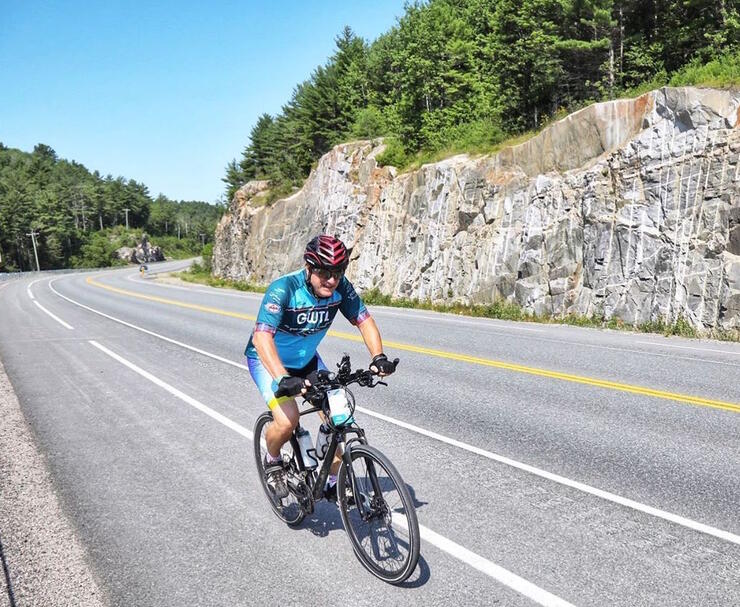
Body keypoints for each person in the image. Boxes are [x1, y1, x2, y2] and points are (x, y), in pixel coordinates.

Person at [245, 235, 396, 500]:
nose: (331, 280)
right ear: (309, 268)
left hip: (307, 361)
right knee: (288, 420)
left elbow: (364, 321)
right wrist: (282, 378)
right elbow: (261, 337)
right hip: (269, 362)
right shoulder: (284, 289)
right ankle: (272, 460)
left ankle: (332, 480)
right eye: (324, 272)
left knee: (339, 418)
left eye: (337, 273)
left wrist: (378, 357)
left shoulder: (340, 289)